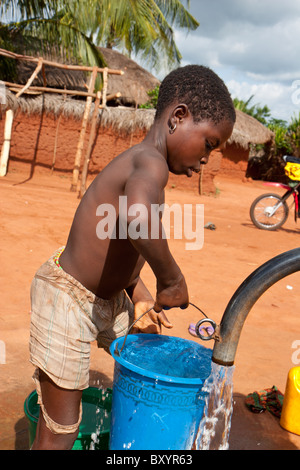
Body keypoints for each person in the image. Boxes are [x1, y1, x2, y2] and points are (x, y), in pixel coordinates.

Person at [29, 65, 236, 449]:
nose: (207, 159)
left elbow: (120, 244)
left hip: (109, 299)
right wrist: (171, 280)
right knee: (60, 429)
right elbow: (136, 219)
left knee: (150, 358)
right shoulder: (149, 161)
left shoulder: (148, 167)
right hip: (67, 299)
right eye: (209, 143)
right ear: (178, 117)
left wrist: (139, 292)